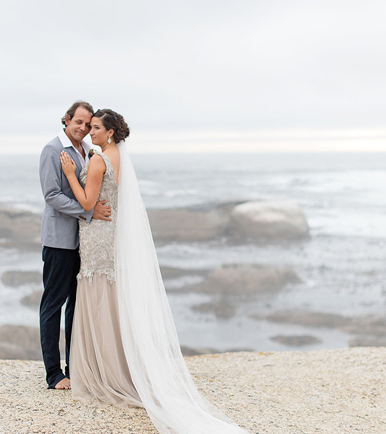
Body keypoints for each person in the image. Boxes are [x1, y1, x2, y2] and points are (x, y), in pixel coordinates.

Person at [60, 109, 248, 433]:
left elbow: (89, 202)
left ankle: (105, 376)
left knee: (97, 299)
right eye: (89, 127)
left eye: (95, 128)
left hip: (96, 237)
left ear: (111, 133)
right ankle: (119, 369)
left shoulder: (98, 159)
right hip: (111, 235)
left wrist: (67, 174)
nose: (90, 132)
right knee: (110, 300)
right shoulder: (117, 157)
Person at [38, 101, 112, 390]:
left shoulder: (85, 151)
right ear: (66, 120)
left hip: (83, 242)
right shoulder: (52, 150)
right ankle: (54, 374)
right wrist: (89, 212)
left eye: (87, 124)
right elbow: (52, 195)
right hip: (59, 242)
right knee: (53, 305)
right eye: (78, 122)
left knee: (76, 307)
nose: (82, 128)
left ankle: (75, 367)